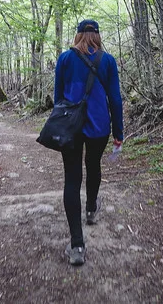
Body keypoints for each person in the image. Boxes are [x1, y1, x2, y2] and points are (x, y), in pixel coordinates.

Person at [54, 19, 123, 266]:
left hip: (70, 127)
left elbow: (58, 97)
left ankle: (77, 245)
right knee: (93, 166)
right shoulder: (108, 61)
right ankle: (91, 209)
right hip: (99, 126)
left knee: (72, 180)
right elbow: (115, 99)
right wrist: (118, 132)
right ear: (97, 36)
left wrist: (60, 124)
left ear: (78, 35)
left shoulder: (65, 59)